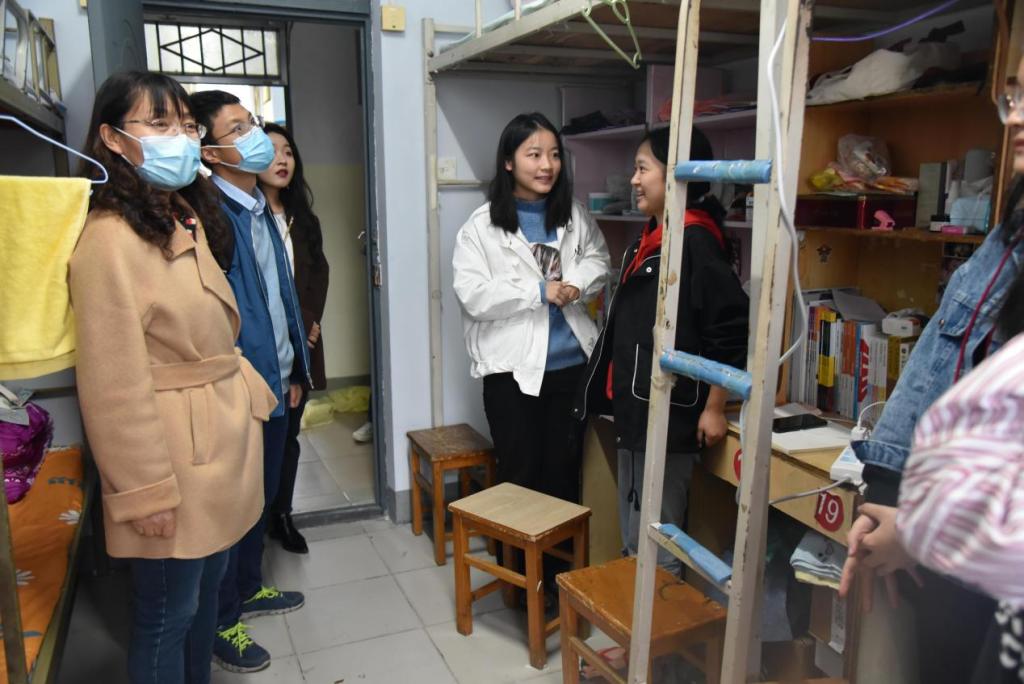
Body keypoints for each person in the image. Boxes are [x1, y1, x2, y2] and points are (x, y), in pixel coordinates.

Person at [69, 71, 276, 684]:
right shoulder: (108, 240)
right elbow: (113, 385)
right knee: (168, 614)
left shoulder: (179, 214)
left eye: (186, 126)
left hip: (211, 441)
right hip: (170, 459)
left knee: (204, 598)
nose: (180, 139)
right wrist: (145, 492)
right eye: (159, 124)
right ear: (113, 138)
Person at [839, 55, 1024, 684]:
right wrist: (885, 495)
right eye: (1012, 96)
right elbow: (940, 363)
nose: (1014, 117)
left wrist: (922, 530)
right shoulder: (1008, 237)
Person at [572, 126, 749, 574]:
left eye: (642, 169)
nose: (634, 180)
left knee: (660, 536)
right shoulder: (650, 238)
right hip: (637, 406)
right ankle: (635, 614)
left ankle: (654, 619)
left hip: (670, 413)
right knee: (634, 530)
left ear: (677, 174)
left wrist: (715, 407)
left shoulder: (696, 242)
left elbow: (729, 331)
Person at [190, 90, 311, 673]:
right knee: (231, 508)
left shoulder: (259, 207)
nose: (256, 136)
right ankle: (221, 621)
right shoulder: (209, 217)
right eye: (237, 130)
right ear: (210, 153)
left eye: (252, 123)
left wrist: (293, 371)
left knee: (258, 501)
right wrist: (247, 384)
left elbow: (278, 300)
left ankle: (247, 587)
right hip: (240, 391)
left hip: (277, 381)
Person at [452, 112, 611, 512]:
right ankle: (516, 556)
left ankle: (558, 556)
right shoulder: (481, 227)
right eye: (534, 154)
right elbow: (473, 295)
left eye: (554, 154)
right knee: (520, 478)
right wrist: (537, 292)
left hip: (571, 369)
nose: (547, 165)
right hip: (513, 374)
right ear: (509, 162)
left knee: (563, 475)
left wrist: (577, 284)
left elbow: (598, 259)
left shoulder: (574, 214)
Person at [257, 123, 330, 555]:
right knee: (259, 443)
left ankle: (282, 515)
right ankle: (255, 519)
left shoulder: (304, 220)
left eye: (288, 151)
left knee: (288, 437)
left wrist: (310, 322)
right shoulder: (245, 218)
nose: (282, 160)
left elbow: (318, 274)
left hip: (303, 342)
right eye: (271, 152)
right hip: (262, 346)